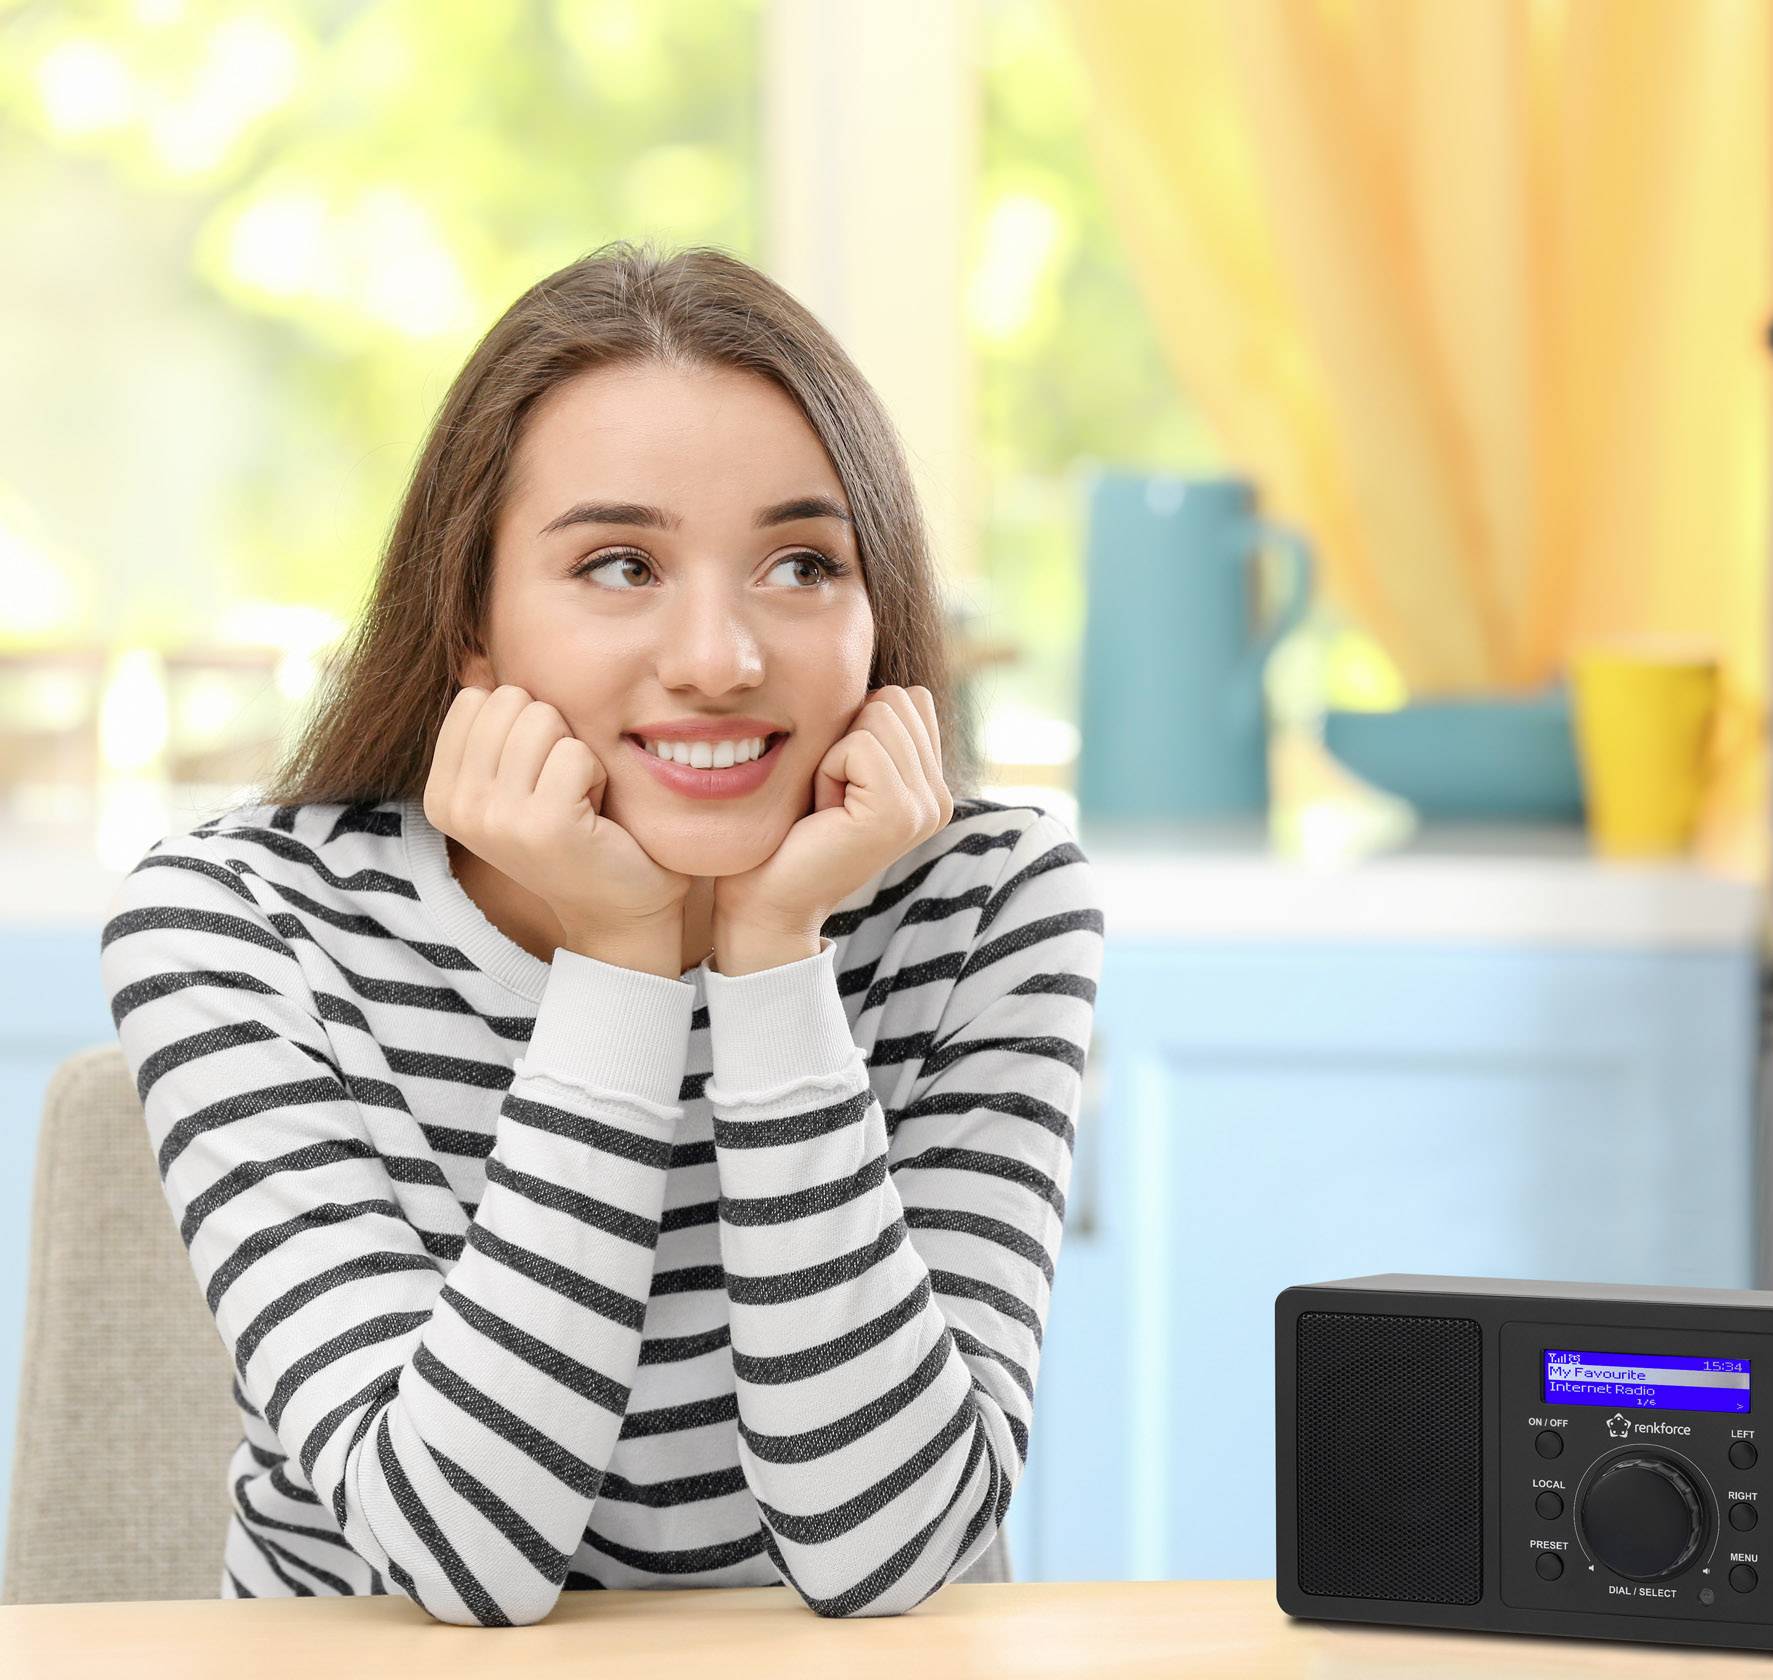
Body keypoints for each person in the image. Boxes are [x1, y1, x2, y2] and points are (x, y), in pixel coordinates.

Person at [97, 241, 1104, 1626]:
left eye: (803, 564)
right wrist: (624, 956)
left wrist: (774, 959)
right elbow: (459, 1560)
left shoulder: (988, 902)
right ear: (472, 626)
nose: (719, 657)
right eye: (621, 564)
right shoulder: (241, 925)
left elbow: (892, 1552)